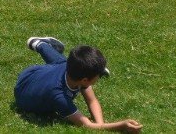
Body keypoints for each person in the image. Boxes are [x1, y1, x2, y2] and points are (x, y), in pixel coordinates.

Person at [14, 36, 142, 132]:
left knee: (60, 61)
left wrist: (100, 124)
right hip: (25, 89)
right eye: (97, 75)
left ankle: (37, 43)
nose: (98, 79)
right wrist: (121, 126)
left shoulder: (71, 69)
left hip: (35, 75)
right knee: (59, 61)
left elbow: (92, 101)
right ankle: (40, 43)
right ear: (85, 80)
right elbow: (86, 125)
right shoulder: (59, 96)